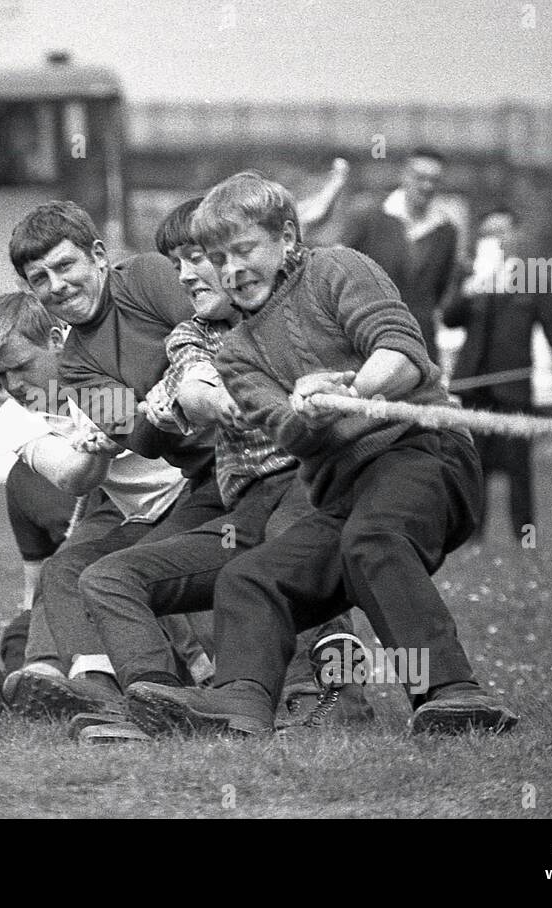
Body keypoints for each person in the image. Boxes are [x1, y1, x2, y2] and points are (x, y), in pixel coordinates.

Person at [125, 171, 518, 738]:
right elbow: (290, 435)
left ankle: (453, 694)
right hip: (343, 491)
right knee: (248, 577)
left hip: (421, 454)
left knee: (372, 541)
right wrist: (306, 416)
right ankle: (241, 703)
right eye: (218, 258)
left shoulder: (339, 268)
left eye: (244, 250)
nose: (232, 270)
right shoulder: (236, 353)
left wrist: (352, 392)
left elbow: (403, 354)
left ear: (287, 238)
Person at [77, 197, 372, 743]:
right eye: (177, 265)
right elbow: (189, 380)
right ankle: (155, 700)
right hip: (244, 503)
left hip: (314, 485)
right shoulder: (191, 335)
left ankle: (332, 699)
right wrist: (188, 399)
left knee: (285, 554)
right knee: (108, 576)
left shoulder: (301, 314)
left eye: (197, 258)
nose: (187, 274)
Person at [0, 292, 213, 723]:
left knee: (141, 583)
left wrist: (112, 426)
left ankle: (182, 681)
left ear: (55, 341)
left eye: (22, 367)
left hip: (188, 498)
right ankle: (85, 685)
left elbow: (141, 425)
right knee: (64, 569)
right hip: (141, 515)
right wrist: (99, 445)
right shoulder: (15, 415)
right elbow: (71, 476)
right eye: (1, 375)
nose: (13, 386)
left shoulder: (91, 377)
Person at [441, 205, 552, 541]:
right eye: (489, 233)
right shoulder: (469, 273)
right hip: (474, 386)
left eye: (503, 231)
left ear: (517, 235)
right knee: (473, 466)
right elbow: (450, 318)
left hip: (514, 388)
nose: (496, 239)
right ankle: (471, 539)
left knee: (518, 469)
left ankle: (525, 539)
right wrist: (468, 291)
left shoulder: (534, 277)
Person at [341, 147, 459, 362]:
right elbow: (341, 271)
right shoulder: (369, 217)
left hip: (420, 342)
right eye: (420, 178)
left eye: (434, 180)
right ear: (404, 175)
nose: (427, 186)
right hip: (367, 337)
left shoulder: (446, 231)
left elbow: (441, 289)